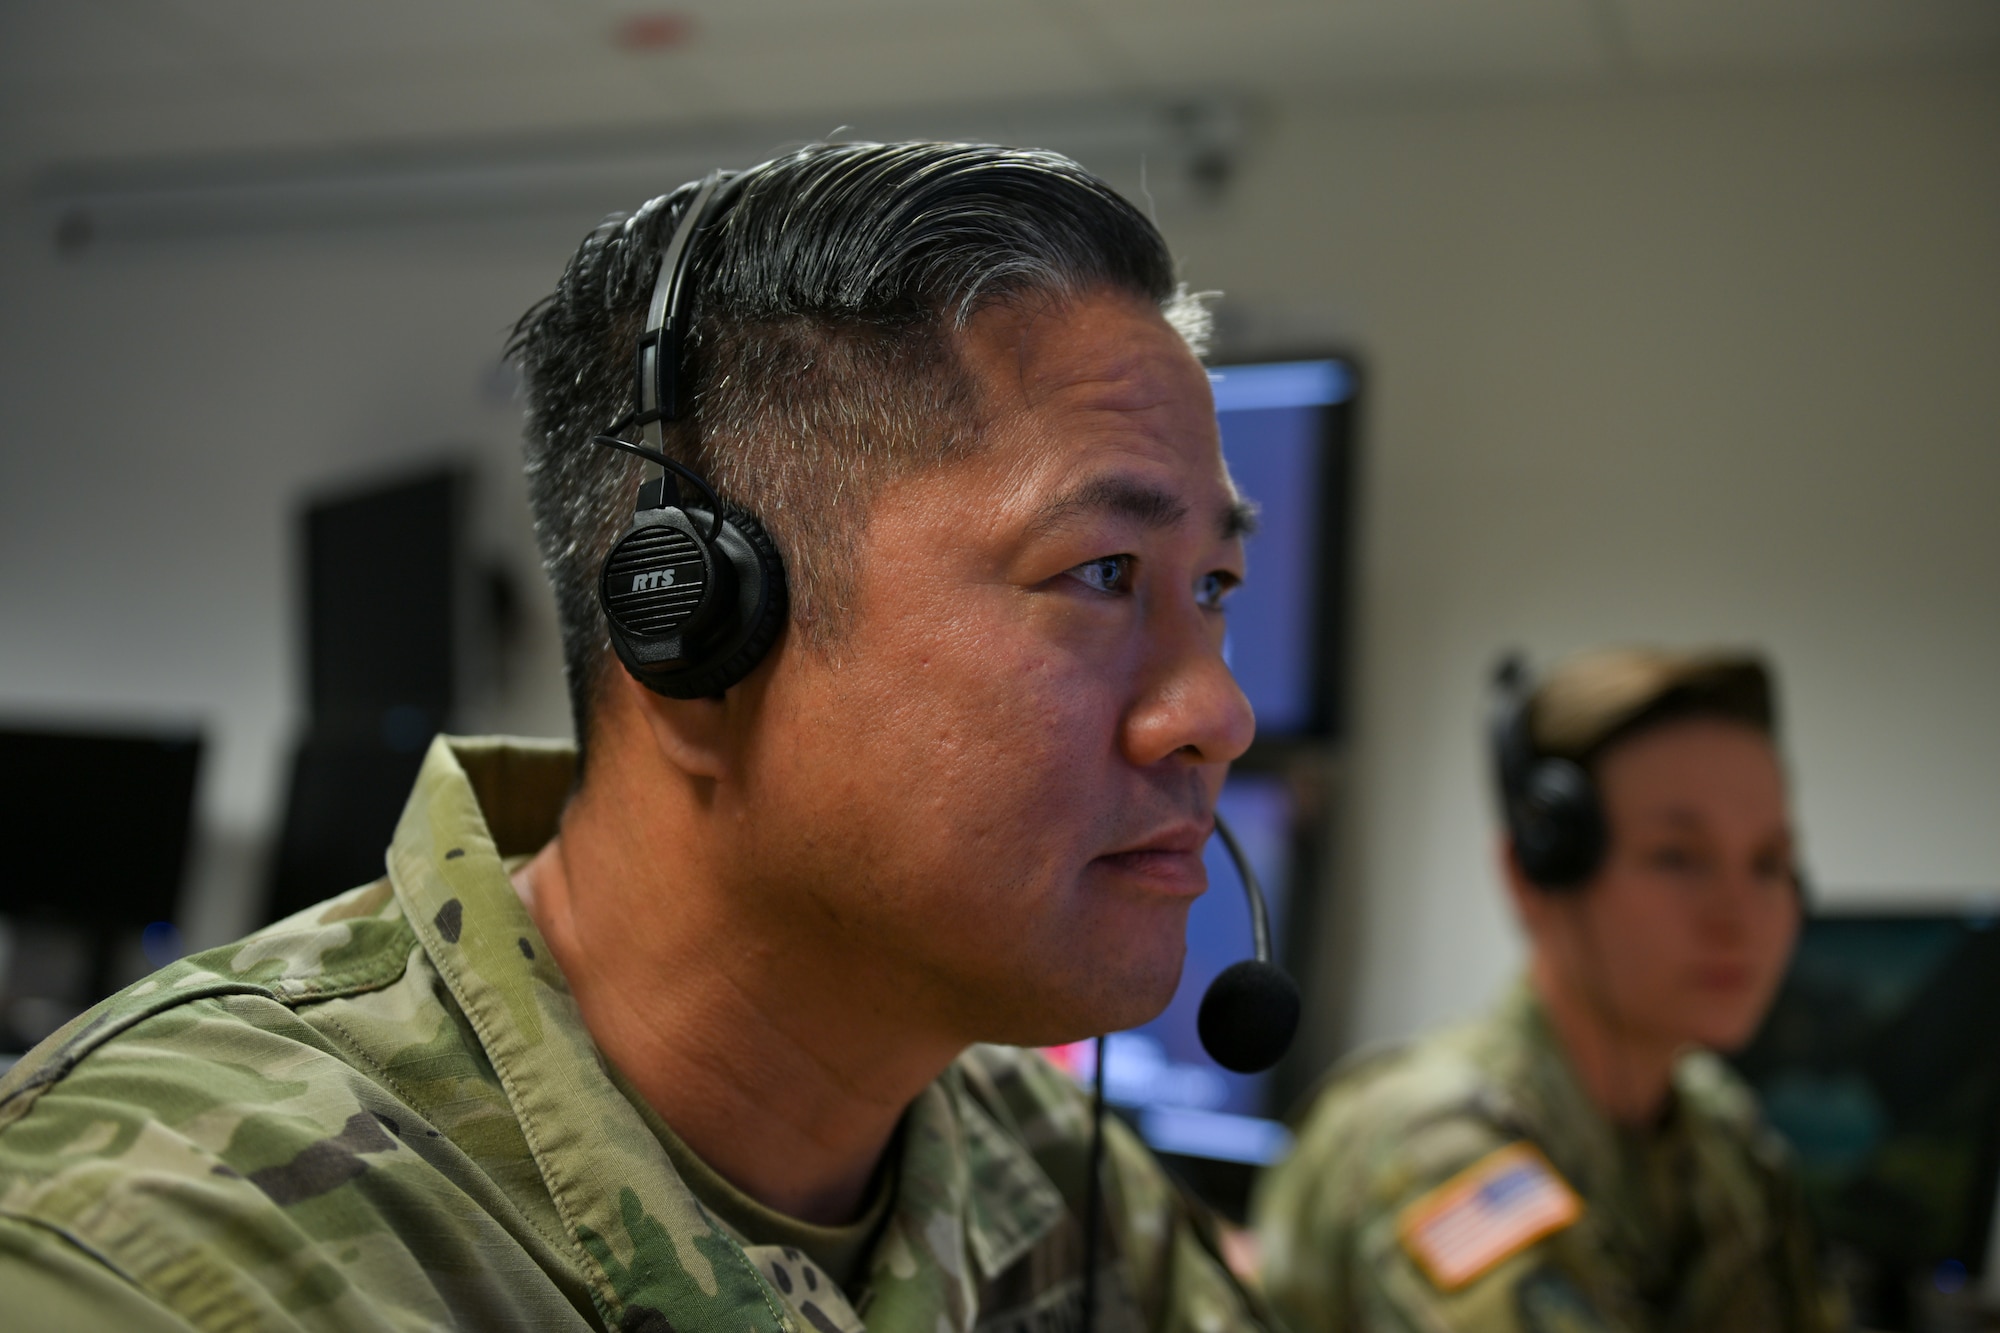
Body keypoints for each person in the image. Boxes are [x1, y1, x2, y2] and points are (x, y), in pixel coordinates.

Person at [0, 142, 1271, 1333]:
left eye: (1210, 586)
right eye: (1102, 571)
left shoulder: (1036, 1156)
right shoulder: (161, 1246)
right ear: (690, 646)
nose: (1217, 711)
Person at [1252, 648, 1847, 1332]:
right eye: (1677, 856)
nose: (1740, 915)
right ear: (1534, 874)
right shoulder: (1435, 1143)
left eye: (1769, 862)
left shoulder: (1722, 1138)